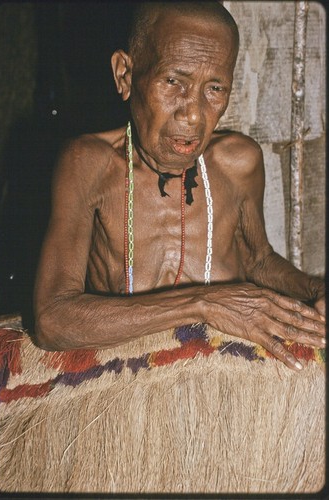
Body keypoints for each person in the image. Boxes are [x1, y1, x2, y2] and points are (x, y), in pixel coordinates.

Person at [33, 1, 325, 370]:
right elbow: (52, 319)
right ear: (125, 75)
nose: (193, 113)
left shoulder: (237, 162)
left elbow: (258, 259)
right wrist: (203, 304)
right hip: (128, 382)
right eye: (173, 82)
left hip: (225, 378)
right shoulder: (90, 164)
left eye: (214, 88)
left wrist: (316, 290)